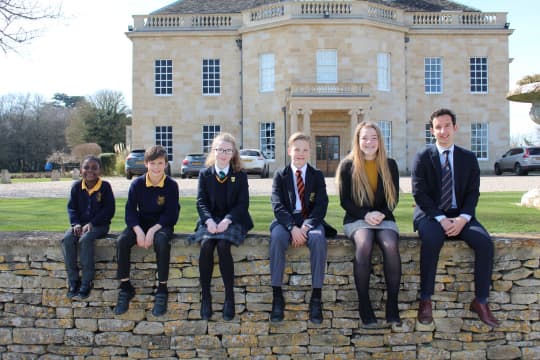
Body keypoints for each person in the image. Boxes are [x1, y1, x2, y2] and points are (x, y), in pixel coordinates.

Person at [412, 108, 499, 327]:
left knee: (485, 243)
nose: (443, 131)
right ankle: (425, 299)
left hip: (461, 215)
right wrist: (441, 219)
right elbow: (419, 193)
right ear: (432, 131)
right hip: (430, 216)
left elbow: (473, 192)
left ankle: (481, 301)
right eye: (438, 127)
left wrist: (463, 219)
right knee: (432, 240)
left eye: (447, 126)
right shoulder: (423, 157)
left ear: (455, 127)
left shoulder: (468, 158)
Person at [336, 122, 401, 327]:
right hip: (356, 218)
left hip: (384, 217)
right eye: (364, 138)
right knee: (364, 244)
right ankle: (364, 305)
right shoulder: (348, 165)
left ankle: (392, 304)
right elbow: (345, 201)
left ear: (379, 140)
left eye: (373, 137)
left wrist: (380, 214)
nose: (369, 142)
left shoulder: (390, 165)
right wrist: (366, 215)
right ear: (357, 141)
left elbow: (394, 198)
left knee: (390, 245)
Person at [269, 132, 335, 324]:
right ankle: (277, 296)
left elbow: (321, 204)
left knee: (317, 239)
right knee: (277, 238)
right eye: (297, 149)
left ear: (310, 152)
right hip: (286, 221)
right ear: (290, 151)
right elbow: (277, 205)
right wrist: (291, 227)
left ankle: (316, 297)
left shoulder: (316, 175)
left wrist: (305, 227)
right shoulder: (280, 176)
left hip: (310, 221)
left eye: (305, 150)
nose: (301, 153)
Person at [189, 133, 253, 321]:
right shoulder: (205, 174)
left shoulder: (240, 174)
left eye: (228, 150)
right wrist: (208, 220)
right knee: (207, 245)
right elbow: (201, 202)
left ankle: (229, 298)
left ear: (233, 153)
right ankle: (206, 298)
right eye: (220, 150)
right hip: (210, 219)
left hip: (234, 219)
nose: (223, 154)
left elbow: (243, 204)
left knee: (224, 246)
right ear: (213, 151)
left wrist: (227, 221)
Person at [114, 145, 180, 317]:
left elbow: (171, 213)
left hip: (162, 224)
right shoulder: (137, 184)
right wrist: (138, 230)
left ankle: (162, 289)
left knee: (161, 241)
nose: (156, 167)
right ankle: (125, 287)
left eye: (160, 163)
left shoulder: (171, 185)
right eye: (153, 163)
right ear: (146, 164)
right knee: (122, 241)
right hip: (140, 223)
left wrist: (152, 231)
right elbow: (130, 210)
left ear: (165, 164)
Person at [62, 155, 115, 299]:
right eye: (86, 167)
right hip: (79, 224)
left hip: (99, 225)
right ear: (80, 170)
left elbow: (109, 210)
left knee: (85, 240)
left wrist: (92, 223)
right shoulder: (77, 187)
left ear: (100, 171)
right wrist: (76, 223)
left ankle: (86, 281)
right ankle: (73, 280)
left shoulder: (105, 187)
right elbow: (72, 208)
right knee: (67, 239)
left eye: (94, 168)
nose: (90, 171)